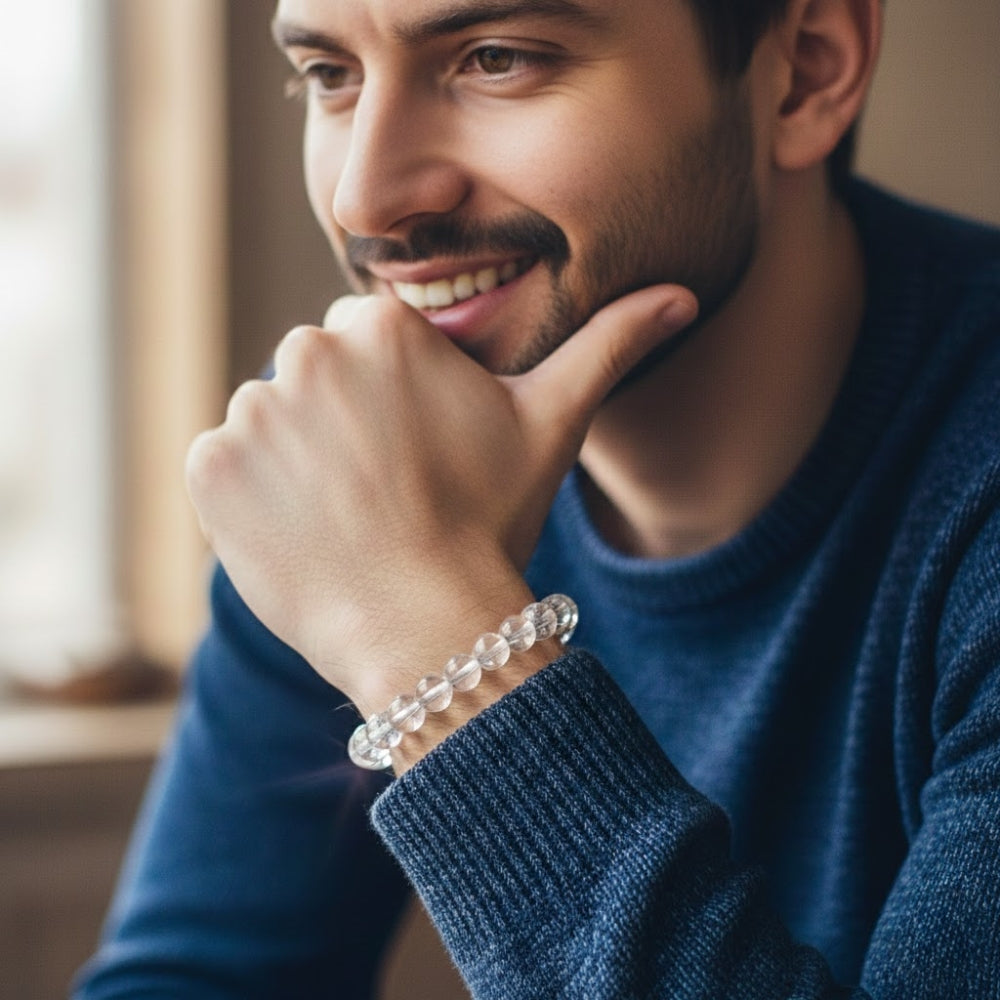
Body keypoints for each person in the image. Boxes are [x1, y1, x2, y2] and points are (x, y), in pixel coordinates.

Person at [76, 0, 1000, 996]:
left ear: (808, 71)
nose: (365, 196)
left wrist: (428, 631)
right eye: (330, 74)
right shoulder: (354, 458)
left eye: (496, 58)